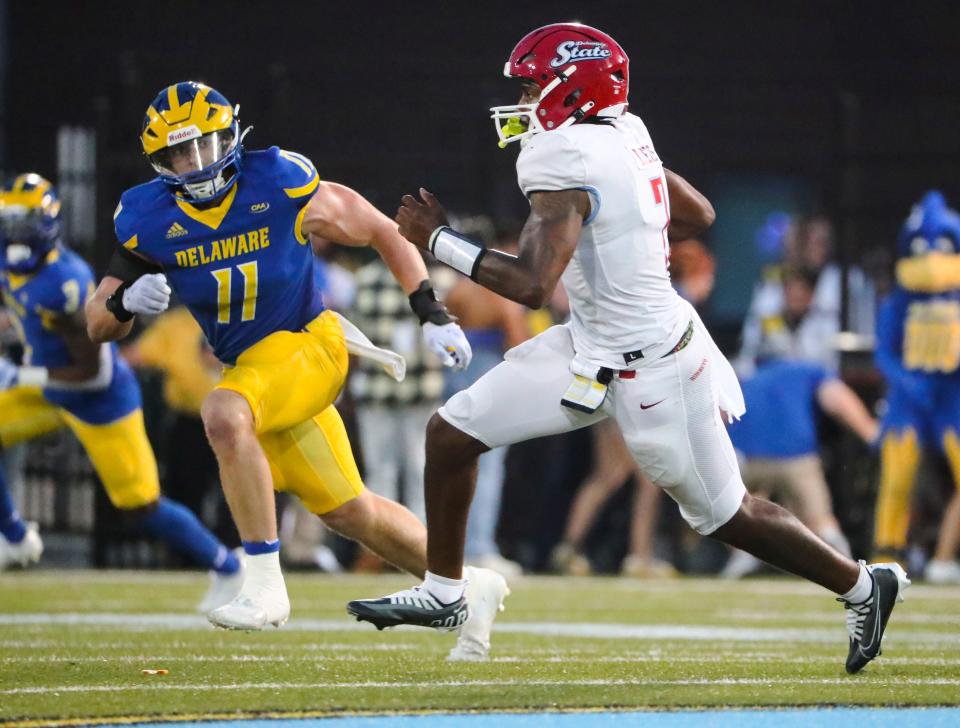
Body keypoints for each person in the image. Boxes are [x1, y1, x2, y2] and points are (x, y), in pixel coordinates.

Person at [347, 23, 909, 674]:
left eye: (532, 87)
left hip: (655, 367)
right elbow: (697, 213)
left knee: (726, 515)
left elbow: (531, 285)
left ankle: (865, 585)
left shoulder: (562, 157)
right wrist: (628, 231)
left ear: (571, 89)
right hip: (588, 348)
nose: (524, 101)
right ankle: (447, 590)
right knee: (450, 433)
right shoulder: (625, 132)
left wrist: (437, 239)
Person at [85, 83, 507, 656]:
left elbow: (383, 228)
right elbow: (96, 324)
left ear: (232, 136)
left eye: (205, 146)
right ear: (161, 162)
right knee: (349, 510)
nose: (196, 164)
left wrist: (430, 310)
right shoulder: (147, 216)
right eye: (180, 154)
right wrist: (122, 306)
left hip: (309, 344)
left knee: (223, 411)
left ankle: (262, 583)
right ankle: (466, 584)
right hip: (260, 373)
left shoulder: (279, 181)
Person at [0, 173, 243, 612]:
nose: (15, 232)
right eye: (9, 220)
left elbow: (90, 373)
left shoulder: (66, 282)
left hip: (98, 400)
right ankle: (15, 537)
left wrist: (21, 376)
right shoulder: (10, 266)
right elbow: (22, 313)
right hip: (48, 388)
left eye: (24, 221)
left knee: (140, 506)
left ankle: (229, 567)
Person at [872, 191, 960, 584]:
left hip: (951, 394)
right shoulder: (897, 302)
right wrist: (908, 383)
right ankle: (886, 555)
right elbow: (885, 353)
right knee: (897, 475)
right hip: (910, 397)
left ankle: (945, 555)